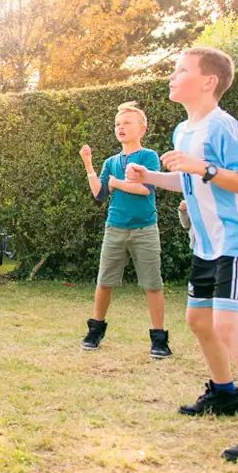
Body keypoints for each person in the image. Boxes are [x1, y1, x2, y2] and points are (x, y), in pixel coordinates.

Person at [127, 46, 238, 463]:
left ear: (208, 82)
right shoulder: (183, 131)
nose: (171, 76)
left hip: (237, 243)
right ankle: (223, 395)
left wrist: (204, 168)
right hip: (206, 245)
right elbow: (187, 182)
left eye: (181, 70)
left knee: (227, 328)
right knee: (198, 320)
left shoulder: (224, 126)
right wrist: (150, 176)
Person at [78, 102, 170, 358]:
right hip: (115, 229)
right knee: (105, 282)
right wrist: (88, 164)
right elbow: (99, 194)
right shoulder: (111, 162)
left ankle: (159, 339)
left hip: (145, 230)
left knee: (152, 284)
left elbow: (145, 189)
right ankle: (95, 330)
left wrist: (117, 182)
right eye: (118, 124)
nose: (121, 128)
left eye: (127, 123)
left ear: (142, 128)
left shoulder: (148, 157)